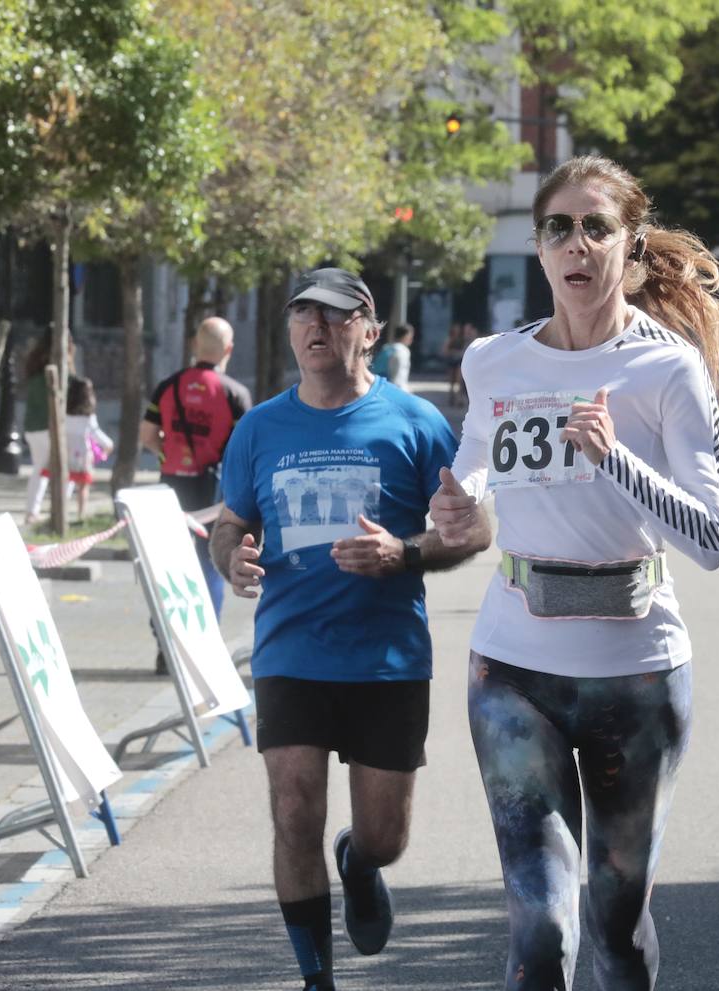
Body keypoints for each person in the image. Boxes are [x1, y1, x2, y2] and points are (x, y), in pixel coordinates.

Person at [429, 155, 719, 990]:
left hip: (635, 675)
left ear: (629, 248)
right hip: (512, 667)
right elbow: (477, 465)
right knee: (539, 924)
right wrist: (459, 507)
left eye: (597, 227)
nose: (578, 243)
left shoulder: (669, 368)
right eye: (559, 227)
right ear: (539, 247)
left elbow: (712, 536)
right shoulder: (496, 361)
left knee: (616, 922)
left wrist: (616, 462)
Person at [210, 268, 489, 991]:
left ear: (368, 329)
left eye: (334, 316)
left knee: (384, 836)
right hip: (290, 649)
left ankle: (360, 866)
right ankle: (315, 979)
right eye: (302, 313)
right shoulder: (260, 427)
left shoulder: (415, 422)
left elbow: (474, 528)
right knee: (294, 808)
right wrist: (232, 558)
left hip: (386, 658)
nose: (316, 327)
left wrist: (406, 554)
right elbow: (231, 520)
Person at [141, 317, 253, 670]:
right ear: (229, 350)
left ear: (194, 345)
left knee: (169, 565)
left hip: (170, 486)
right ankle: (204, 647)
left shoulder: (168, 386)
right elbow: (244, 448)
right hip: (214, 488)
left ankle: (164, 648)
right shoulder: (235, 393)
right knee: (210, 563)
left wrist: (167, 456)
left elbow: (148, 434)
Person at [21, 332, 80, 524]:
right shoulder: (62, 371)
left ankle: (32, 512)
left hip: (32, 426)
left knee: (40, 469)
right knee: (67, 468)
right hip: (51, 426)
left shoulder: (35, 367)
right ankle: (60, 508)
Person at [63, 377, 114, 522]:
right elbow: (98, 436)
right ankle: (81, 514)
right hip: (83, 456)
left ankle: (62, 511)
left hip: (67, 453)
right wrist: (108, 447)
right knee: (83, 487)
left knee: (66, 483)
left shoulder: (64, 415)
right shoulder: (88, 418)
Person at [369, 322, 414, 388]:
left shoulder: (386, 348)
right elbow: (399, 377)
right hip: (392, 388)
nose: (411, 340)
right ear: (406, 336)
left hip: (378, 385)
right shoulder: (402, 351)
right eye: (411, 337)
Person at [442, 323, 465, 406]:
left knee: (459, 381)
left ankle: (459, 399)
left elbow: (464, 350)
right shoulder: (450, 339)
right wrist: (453, 352)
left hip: (459, 361)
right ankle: (452, 398)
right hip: (452, 361)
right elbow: (445, 350)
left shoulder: (461, 339)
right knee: (452, 381)